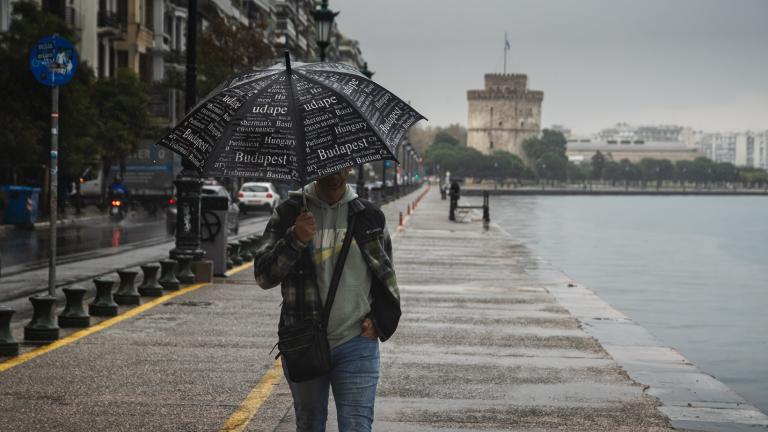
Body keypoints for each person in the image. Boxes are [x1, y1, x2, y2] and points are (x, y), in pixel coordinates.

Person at [253, 168, 400, 432]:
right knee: (309, 425)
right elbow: (264, 276)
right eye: (327, 166)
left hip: (356, 343)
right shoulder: (289, 213)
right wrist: (295, 238)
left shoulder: (368, 216)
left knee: (357, 427)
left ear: (351, 167)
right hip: (303, 341)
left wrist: (379, 321)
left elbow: (386, 277)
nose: (334, 172)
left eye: (342, 164)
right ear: (312, 167)